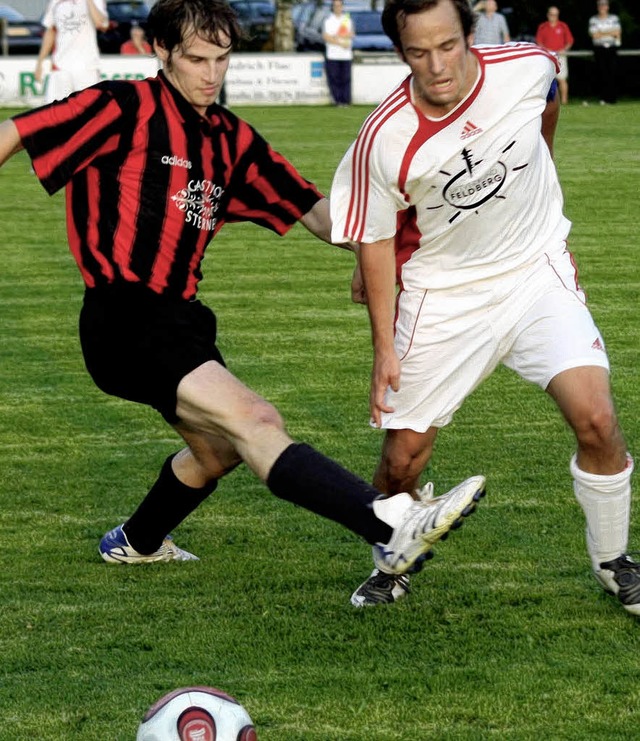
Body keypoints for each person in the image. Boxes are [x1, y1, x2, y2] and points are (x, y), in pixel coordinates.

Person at [0, 0, 486, 592]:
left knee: (216, 450)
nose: (211, 74)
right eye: (197, 59)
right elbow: (16, 133)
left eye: (222, 59)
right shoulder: (121, 107)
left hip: (182, 321)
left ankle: (136, 542)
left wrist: (400, 233)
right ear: (161, 52)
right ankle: (390, 526)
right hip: (122, 316)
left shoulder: (231, 140)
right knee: (255, 419)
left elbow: (319, 214)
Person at [330, 0, 640, 614]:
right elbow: (374, 236)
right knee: (402, 459)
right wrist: (384, 350)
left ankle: (615, 562)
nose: (437, 66)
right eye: (418, 53)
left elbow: (548, 99)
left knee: (598, 419)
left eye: (448, 46)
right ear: (400, 52)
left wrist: (541, 164)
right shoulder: (384, 137)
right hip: (442, 294)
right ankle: (393, 559)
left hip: (535, 271)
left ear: (471, 35)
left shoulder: (526, 66)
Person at [35, 0, 109, 104]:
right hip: (60, 66)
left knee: (89, 109)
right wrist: (40, 62)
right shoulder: (55, 2)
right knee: (54, 111)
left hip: (87, 66)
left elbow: (101, 23)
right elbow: (50, 31)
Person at [536, 6, 574, 105]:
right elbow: (539, 42)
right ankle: (544, 102)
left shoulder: (563, 26)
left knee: (562, 79)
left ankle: (564, 101)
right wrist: (546, 50)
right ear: (548, 15)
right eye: (552, 14)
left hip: (560, 56)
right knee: (545, 80)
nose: (554, 16)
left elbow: (570, 41)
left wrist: (564, 49)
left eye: (556, 15)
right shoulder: (542, 27)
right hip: (547, 57)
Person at [322, 0, 355, 106]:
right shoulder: (328, 20)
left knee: (346, 78)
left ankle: (346, 101)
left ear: (342, 7)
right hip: (333, 54)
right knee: (334, 78)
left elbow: (351, 34)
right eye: (335, 6)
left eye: (339, 5)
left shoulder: (347, 20)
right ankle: (337, 101)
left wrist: (337, 36)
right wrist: (340, 42)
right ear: (332, 7)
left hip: (346, 55)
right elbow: (326, 37)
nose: (337, 7)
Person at [589, 0, 621, 105]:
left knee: (613, 72)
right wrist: (610, 32)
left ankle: (612, 99)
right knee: (601, 73)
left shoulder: (614, 18)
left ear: (608, 7)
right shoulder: (593, 19)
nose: (602, 7)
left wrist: (601, 32)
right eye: (600, 5)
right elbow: (594, 35)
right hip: (599, 48)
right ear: (597, 7)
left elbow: (617, 33)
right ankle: (603, 98)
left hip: (612, 48)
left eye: (604, 5)